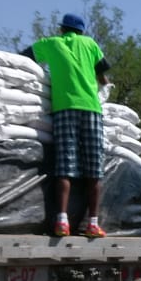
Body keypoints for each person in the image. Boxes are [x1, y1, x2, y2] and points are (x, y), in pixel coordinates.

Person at [21, 13, 111, 238]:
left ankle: (62, 221)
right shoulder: (90, 44)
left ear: (62, 29)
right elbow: (103, 76)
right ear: (81, 31)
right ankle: (92, 223)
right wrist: (104, 86)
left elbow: (24, 58)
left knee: (65, 165)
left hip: (63, 109)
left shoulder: (50, 43)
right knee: (94, 170)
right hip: (91, 109)